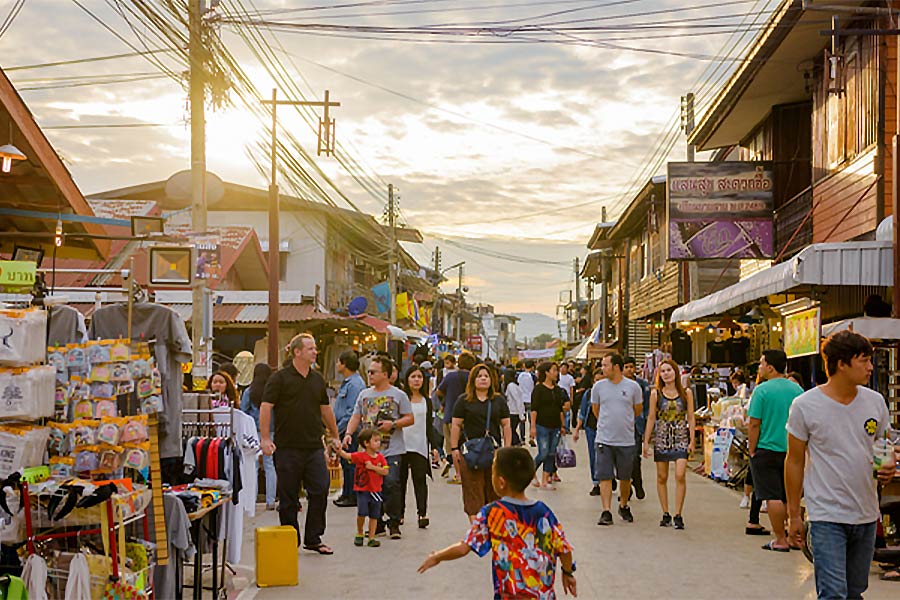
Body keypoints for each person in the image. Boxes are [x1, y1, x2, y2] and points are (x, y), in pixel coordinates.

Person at [786, 331, 895, 598]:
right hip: (826, 515)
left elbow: (885, 443)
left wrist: (889, 464)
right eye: (864, 361)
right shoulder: (805, 406)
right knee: (834, 593)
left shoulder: (875, 402)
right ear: (841, 364)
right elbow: (795, 460)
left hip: (866, 513)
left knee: (855, 591)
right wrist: (794, 515)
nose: (870, 367)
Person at [417, 447, 577, 599]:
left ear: (501, 482)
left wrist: (438, 556)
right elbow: (564, 549)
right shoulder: (544, 512)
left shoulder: (492, 513)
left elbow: (464, 547)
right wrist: (568, 572)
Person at [260, 333, 341, 554]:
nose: (315, 352)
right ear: (297, 352)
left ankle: (313, 537)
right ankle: (290, 538)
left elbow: (325, 409)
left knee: (320, 489)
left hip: (314, 445)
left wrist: (335, 435)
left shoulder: (317, 379)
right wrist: (265, 438)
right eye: (310, 349)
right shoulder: (280, 378)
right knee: (288, 497)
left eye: (315, 348)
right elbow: (266, 407)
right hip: (287, 447)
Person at [342, 356, 413, 539]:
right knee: (372, 487)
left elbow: (410, 418)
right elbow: (356, 416)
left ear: (385, 374)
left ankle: (394, 522)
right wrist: (349, 434)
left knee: (391, 483)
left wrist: (394, 424)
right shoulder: (364, 395)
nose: (370, 375)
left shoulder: (399, 395)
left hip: (392, 449)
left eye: (374, 372)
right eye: (369, 371)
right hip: (368, 452)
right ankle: (377, 523)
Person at [748, 349, 803, 553]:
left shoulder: (761, 391)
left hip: (766, 448)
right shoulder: (797, 390)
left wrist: (751, 448)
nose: (760, 367)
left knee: (772, 495)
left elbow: (754, 424)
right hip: (793, 450)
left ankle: (780, 538)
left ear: (770, 367)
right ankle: (792, 535)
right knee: (790, 495)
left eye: (762, 363)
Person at [450, 363, 512, 521]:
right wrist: (454, 448)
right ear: (473, 380)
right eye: (479, 376)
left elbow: (506, 425)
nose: (483, 379)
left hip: (494, 452)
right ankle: (478, 531)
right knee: (472, 491)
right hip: (470, 453)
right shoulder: (463, 401)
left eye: (486, 376)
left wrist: (507, 448)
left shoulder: (499, 400)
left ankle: (492, 526)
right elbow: (456, 424)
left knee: (494, 491)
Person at [642, 359, 695, 529]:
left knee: (680, 474)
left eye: (669, 370)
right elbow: (651, 417)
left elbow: (691, 417)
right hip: (662, 435)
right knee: (662, 476)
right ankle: (666, 512)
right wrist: (646, 441)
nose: (666, 374)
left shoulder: (686, 392)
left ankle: (678, 513)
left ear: (675, 372)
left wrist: (692, 440)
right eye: (663, 371)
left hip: (680, 435)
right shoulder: (655, 394)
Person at [592, 353, 643, 526]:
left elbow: (637, 410)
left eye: (605, 365)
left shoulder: (633, 387)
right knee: (605, 476)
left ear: (615, 366)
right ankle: (606, 511)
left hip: (626, 440)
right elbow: (596, 410)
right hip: (604, 439)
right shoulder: (598, 387)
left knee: (625, 477)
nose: (602, 368)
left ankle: (623, 504)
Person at [335, 427, 389, 548]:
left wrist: (373, 468)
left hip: (376, 490)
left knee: (375, 515)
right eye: (375, 440)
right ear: (366, 443)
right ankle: (359, 533)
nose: (378, 443)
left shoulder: (381, 458)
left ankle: (371, 536)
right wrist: (339, 450)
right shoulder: (361, 456)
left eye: (378, 440)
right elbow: (348, 456)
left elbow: (385, 472)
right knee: (362, 512)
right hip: (362, 490)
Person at [400, 365, 437, 529]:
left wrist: (435, 447)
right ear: (407, 379)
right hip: (401, 445)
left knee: (420, 480)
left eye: (419, 377)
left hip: (420, 446)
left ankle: (422, 513)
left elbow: (429, 425)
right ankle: (398, 514)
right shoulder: (402, 399)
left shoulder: (426, 401)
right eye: (413, 376)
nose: (416, 380)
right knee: (399, 482)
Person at [333, 351, 367, 508]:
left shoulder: (354, 384)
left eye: (339, 362)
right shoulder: (348, 382)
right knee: (345, 462)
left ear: (344, 363)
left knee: (349, 462)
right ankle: (346, 493)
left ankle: (351, 495)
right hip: (343, 428)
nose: (336, 365)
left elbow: (352, 412)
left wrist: (339, 429)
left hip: (349, 430)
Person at [240, 363, 276, 510]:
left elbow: (243, 411)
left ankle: (252, 499)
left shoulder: (249, 391)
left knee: (252, 465)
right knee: (270, 465)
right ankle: (271, 500)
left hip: (253, 432)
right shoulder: (273, 391)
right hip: (271, 431)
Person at [438, 352, 476, 483]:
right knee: (466, 445)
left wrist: (445, 400)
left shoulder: (450, 376)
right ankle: (467, 471)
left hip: (450, 415)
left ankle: (456, 470)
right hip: (470, 417)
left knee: (452, 445)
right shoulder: (474, 377)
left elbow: (438, 391)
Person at [530, 361, 565, 490]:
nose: (556, 373)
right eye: (554, 370)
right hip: (542, 425)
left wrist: (563, 425)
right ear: (546, 372)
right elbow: (534, 409)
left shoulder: (557, 389)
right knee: (543, 452)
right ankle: (530, 471)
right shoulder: (538, 389)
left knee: (551, 453)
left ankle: (545, 480)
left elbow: (560, 408)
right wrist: (532, 427)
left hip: (555, 425)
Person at [573, 370, 605, 496]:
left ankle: (608, 477)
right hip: (591, 427)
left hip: (607, 428)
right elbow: (583, 412)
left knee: (607, 455)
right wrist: (577, 429)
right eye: (596, 380)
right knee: (593, 455)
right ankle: (596, 482)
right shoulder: (588, 393)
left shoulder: (610, 394)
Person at [623, 356, 650, 501]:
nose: (629, 370)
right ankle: (627, 486)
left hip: (637, 426)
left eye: (631, 367)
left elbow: (647, 408)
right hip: (620, 427)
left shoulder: (643, 385)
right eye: (626, 367)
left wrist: (646, 427)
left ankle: (637, 482)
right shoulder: (617, 384)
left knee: (634, 458)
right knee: (622, 459)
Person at [517, 360, 537, 445]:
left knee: (522, 420)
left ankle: (522, 438)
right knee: (531, 419)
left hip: (521, 399)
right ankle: (531, 437)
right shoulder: (533, 376)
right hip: (530, 399)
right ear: (532, 367)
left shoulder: (519, 375)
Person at [558, 362, 576, 428]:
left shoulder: (570, 378)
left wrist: (571, 397)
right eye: (562, 367)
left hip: (566, 396)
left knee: (567, 413)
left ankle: (567, 427)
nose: (563, 369)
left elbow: (571, 388)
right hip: (558, 396)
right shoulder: (557, 376)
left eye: (565, 368)